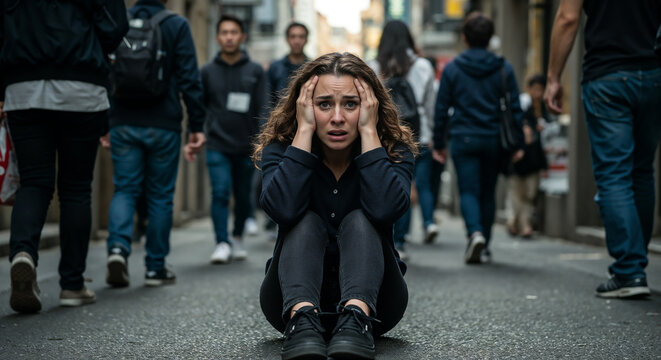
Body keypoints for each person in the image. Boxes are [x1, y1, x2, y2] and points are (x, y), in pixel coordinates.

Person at [254, 52, 416, 360]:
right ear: (305, 106)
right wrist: (303, 131)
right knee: (304, 221)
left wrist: (369, 133)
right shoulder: (282, 149)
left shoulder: (394, 152)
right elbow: (282, 210)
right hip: (288, 303)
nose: (337, 117)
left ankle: (355, 316)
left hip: (378, 305)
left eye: (351, 104)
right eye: (324, 104)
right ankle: (303, 321)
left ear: (369, 106)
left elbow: (385, 210)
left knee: (361, 219)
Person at [0, 0, 128, 312]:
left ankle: (23, 254)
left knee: (33, 181)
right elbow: (116, 26)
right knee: (75, 188)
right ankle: (72, 284)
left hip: (23, 86)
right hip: (81, 86)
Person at [544, 0, 661, 298]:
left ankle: (629, 271)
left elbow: (568, 18)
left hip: (607, 76)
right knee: (642, 171)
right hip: (653, 73)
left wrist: (553, 77)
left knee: (614, 174)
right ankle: (636, 264)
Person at [104, 0, 206, 288]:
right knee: (160, 195)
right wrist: (196, 126)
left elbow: (105, 69)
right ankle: (155, 267)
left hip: (123, 120)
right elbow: (190, 78)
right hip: (163, 123)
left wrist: (105, 121)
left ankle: (117, 249)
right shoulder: (176, 25)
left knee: (125, 188)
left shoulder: (118, 20)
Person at [432, 12, 524, 264]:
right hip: (494, 138)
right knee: (488, 191)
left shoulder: (452, 68)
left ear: (464, 37)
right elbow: (515, 107)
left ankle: (474, 233)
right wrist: (517, 143)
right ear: (490, 38)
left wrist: (439, 143)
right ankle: (484, 245)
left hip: (463, 138)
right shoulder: (503, 67)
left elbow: (442, 108)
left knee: (469, 191)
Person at [202, 14, 268, 264]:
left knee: (242, 195)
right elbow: (200, 106)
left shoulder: (254, 71)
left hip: (246, 145)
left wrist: (262, 140)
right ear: (218, 37)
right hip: (216, 143)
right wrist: (196, 134)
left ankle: (237, 236)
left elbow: (263, 106)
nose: (229, 37)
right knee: (219, 191)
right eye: (224, 32)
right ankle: (221, 241)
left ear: (242, 37)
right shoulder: (208, 71)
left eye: (234, 32)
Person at [370, 20, 438, 259]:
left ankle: (392, 238)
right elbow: (430, 104)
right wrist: (433, 135)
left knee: (394, 186)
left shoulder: (374, 66)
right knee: (418, 185)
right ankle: (406, 237)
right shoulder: (422, 66)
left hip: (385, 136)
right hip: (420, 134)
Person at [507, 74, 549, 238]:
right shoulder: (523, 104)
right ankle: (520, 224)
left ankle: (518, 223)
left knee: (529, 194)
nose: (538, 93)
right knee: (517, 192)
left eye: (541, 89)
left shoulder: (542, 107)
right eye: (536, 89)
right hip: (519, 155)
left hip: (533, 156)